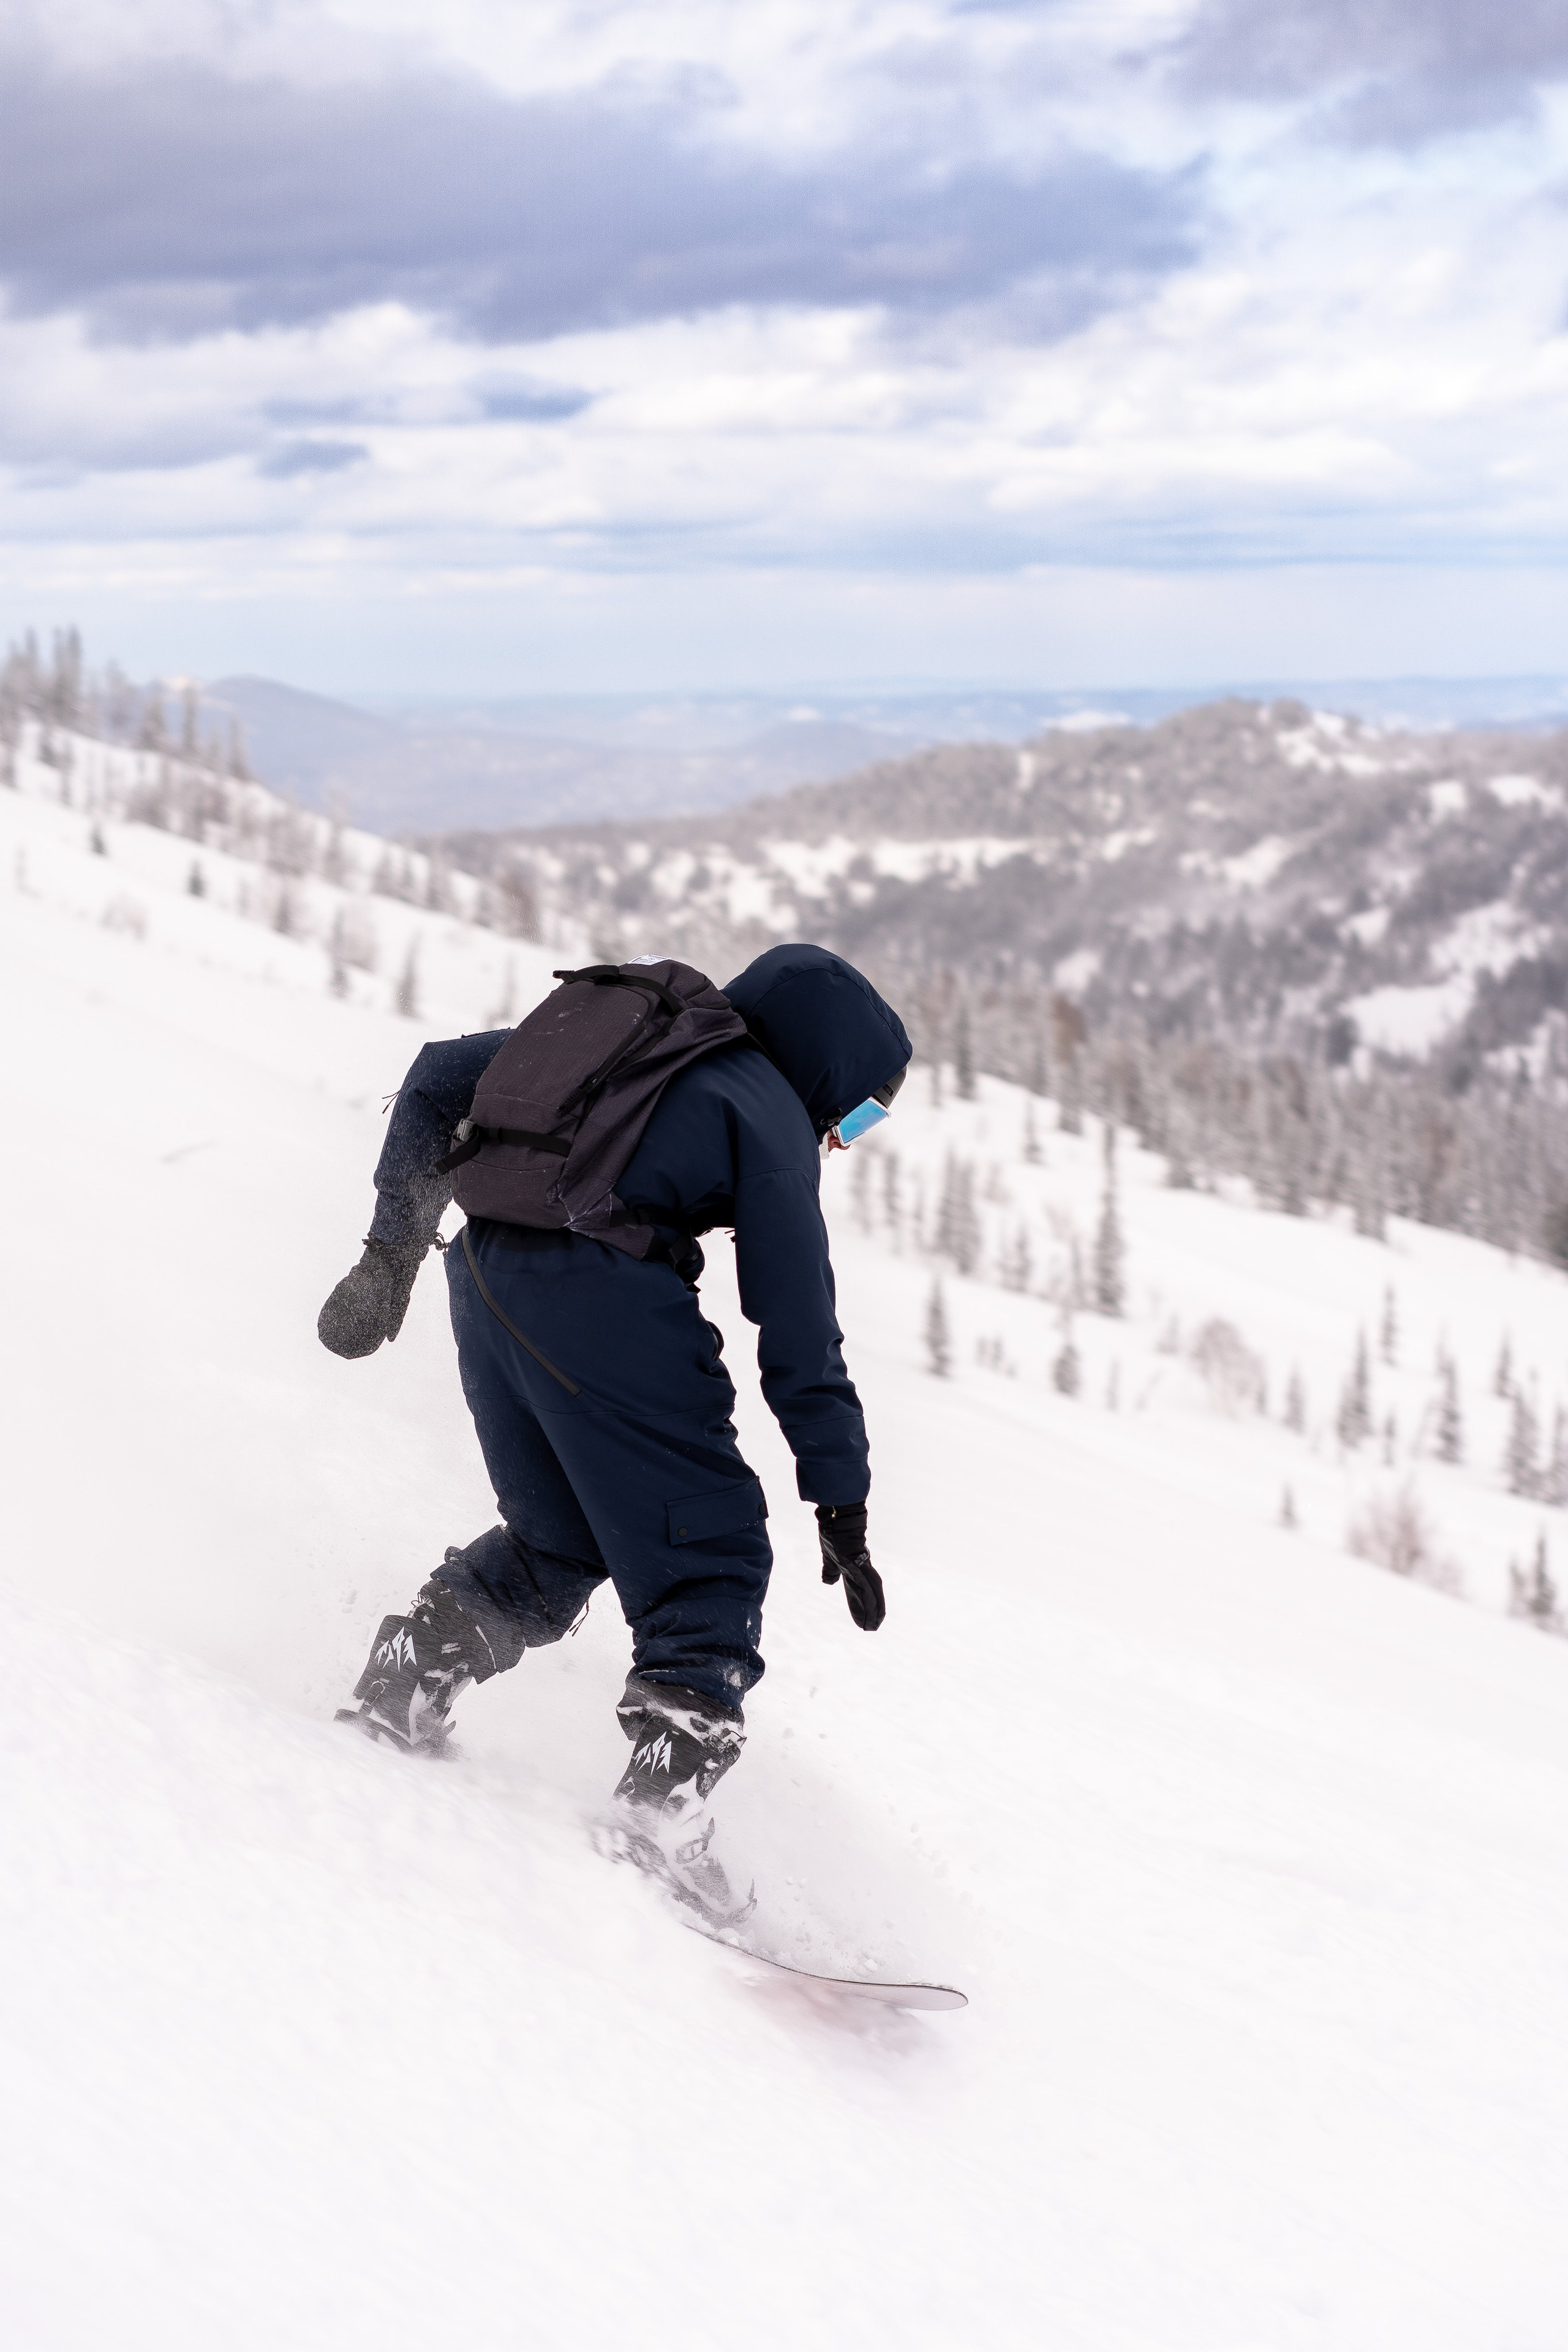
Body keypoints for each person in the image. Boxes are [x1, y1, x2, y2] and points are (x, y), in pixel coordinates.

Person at [319, 942, 911, 1920]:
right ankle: (657, 1810)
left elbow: (435, 1077)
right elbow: (799, 1326)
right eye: (862, 1109)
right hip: (600, 1297)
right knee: (710, 1553)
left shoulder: (628, 1051)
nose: (851, 1134)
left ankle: (405, 1679)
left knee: (562, 1540)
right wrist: (837, 1494)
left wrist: (392, 1256)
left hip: (485, 1277)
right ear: (828, 1063)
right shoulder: (762, 1107)